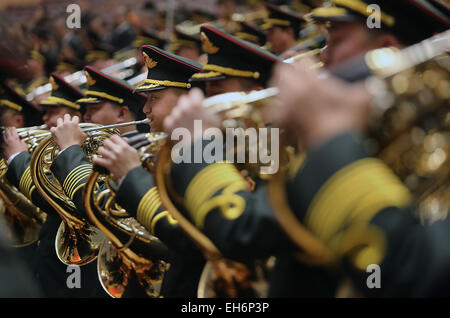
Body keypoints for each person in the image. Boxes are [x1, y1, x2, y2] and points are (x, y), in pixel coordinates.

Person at [160, 0, 450, 297]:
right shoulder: (366, 136)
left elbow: (240, 229)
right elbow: (247, 228)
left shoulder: (425, 148)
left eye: (336, 38)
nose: (323, 54)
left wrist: (196, 147)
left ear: (386, 50)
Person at [1, 73, 106, 297]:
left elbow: (57, 199)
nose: (46, 119)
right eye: (46, 112)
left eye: (54, 113)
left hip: (80, 264)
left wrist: (17, 159)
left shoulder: (92, 152)